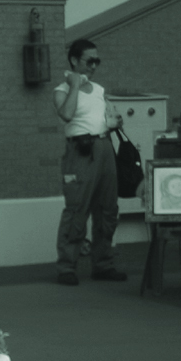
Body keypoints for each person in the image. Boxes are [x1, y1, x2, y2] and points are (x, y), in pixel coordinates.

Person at [53, 38, 127, 286]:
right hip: (80, 150)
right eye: (89, 61)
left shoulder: (99, 90)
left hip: (104, 146)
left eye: (97, 61)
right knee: (77, 209)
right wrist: (74, 84)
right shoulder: (62, 90)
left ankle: (103, 263)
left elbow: (110, 116)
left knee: (108, 209)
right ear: (74, 60)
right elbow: (66, 114)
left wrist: (115, 120)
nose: (94, 66)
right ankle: (67, 266)